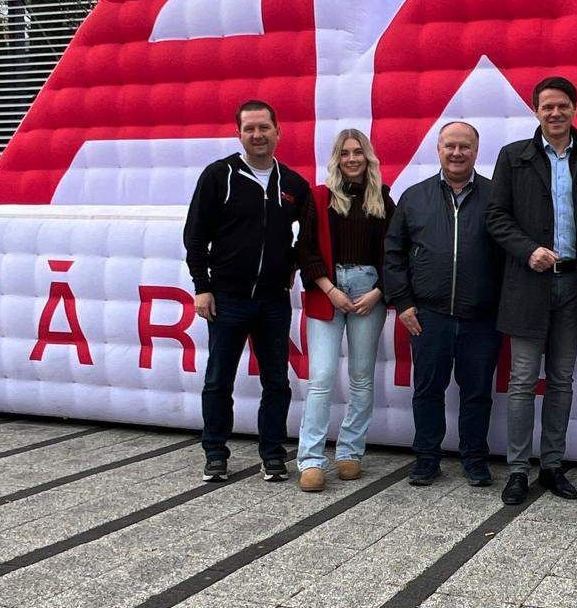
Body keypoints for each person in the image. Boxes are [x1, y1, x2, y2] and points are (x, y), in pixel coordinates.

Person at [487, 76, 577, 505]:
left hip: (574, 286)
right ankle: (518, 469)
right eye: (547, 107)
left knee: (561, 380)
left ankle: (553, 465)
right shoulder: (514, 156)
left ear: (574, 108)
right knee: (522, 381)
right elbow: (496, 217)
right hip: (527, 284)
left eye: (562, 106)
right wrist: (528, 250)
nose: (555, 113)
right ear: (536, 111)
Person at [184, 99, 318, 483]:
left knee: (276, 382)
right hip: (227, 297)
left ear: (278, 131)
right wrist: (202, 287)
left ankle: (272, 455)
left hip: (273, 301)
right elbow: (195, 236)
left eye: (264, 128)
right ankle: (215, 454)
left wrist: (292, 265)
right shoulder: (218, 176)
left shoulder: (293, 185)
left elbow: (309, 237)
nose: (257, 135)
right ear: (239, 133)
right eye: (249, 129)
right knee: (218, 380)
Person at [383, 121, 502, 487]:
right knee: (428, 391)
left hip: (482, 317)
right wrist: (403, 303)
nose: (457, 153)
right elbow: (393, 253)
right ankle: (426, 459)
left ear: (476, 151)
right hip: (428, 315)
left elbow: (509, 255)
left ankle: (475, 460)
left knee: (477, 393)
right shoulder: (414, 197)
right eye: (450, 145)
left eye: (465, 146)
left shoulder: (497, 197)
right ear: (438, 149)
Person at [295, 129, 395, 492]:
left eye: (358, 152)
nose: (352, 159)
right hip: (328, 289)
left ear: (368, 157)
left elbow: (395, 253)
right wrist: (330, 289)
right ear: (337, 159)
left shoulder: (382, 199)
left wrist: (379, 292)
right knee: (321, 377)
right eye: (345, 153)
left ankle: (351, 451)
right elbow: (305, 249)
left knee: (362, 377)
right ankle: (311, 459)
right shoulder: (319, 197)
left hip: (370, 291)